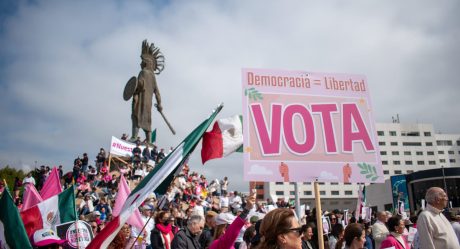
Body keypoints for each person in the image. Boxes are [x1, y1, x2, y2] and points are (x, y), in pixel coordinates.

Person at [128, 40, 163, 144]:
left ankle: (134, 136)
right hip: (148, 104)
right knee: (147, 120)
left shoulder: (143, 72)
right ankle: (149, 141)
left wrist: (134, 89)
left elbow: (139, 84)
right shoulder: (152, 76)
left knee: (135, 116)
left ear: (146, 63)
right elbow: (157, 92)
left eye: (142, 61)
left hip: (141, 100)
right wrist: (160, 104)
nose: (140, 63)